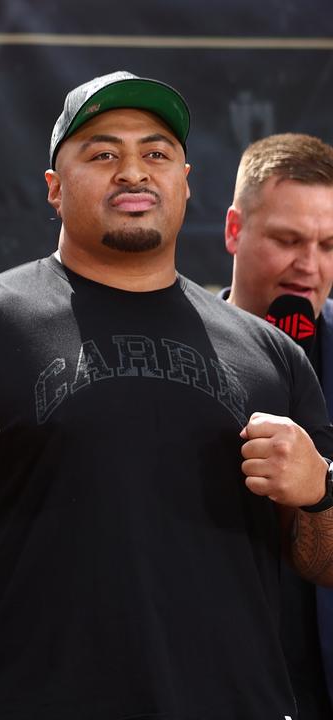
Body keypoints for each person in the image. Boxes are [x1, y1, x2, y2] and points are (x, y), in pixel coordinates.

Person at [0, 70, 333, 719]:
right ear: (54, 189)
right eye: (102, 153)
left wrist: (318, 488)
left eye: (155, 154)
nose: (132, 171)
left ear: (184, 185)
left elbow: (322, 562)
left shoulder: (272, 357)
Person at [220, 132, 333, 718]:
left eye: (329, 245)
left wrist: (323, 484)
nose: (308, 267)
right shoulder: (175, 353)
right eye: (288, 240)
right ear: (235, 230)